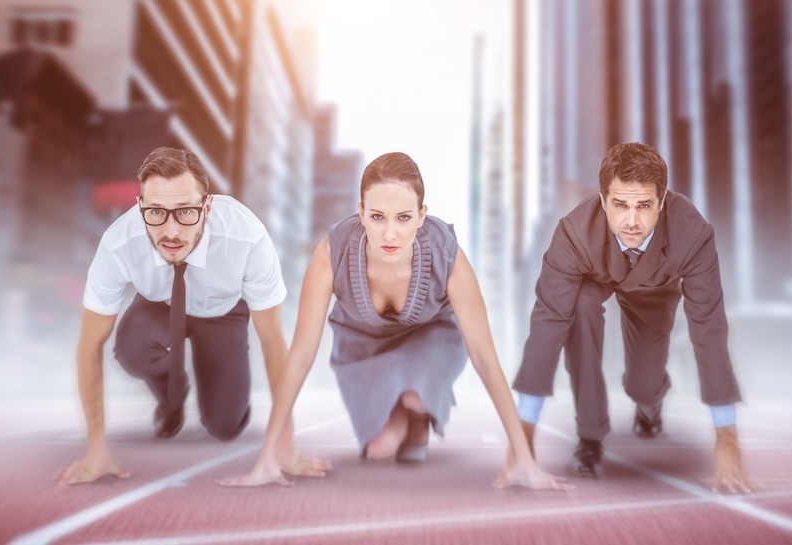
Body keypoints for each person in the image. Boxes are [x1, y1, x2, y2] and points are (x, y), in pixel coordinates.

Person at [219, 152, 568, 490]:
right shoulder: (331, 253)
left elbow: (486, 360)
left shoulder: (447, 254)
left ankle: (418, 411)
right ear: (360, 213)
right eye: (377, 217)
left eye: (403, 217)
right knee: (380, 448)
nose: (389, 234)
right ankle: (401, 409)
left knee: (416, 396)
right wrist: (268, 456)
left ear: (421, 215)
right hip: (361, 346)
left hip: (432, 340)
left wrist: (523, 457)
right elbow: (299, 356)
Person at [55, 147, 328, 485]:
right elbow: (89, 346)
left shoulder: (247, 237)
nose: (171, 231)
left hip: (223, 312)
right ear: (140, 207)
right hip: (160, 304)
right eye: (156, 211)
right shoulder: (118, 244)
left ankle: (216, 394)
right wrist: (96, 450)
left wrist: (285, 444)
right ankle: (173, 393)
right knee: (130, 349)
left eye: (185, 211)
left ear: (208, 206)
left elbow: (273, 342)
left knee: (225, 425)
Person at [511, 142, 753, 493]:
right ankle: (590, 437)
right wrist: (524, 435)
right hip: (594, 279)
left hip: (653, 289)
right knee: (576, 307)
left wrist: (727, 436)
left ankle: (650, 404)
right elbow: (548, 321)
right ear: (603, 198)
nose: (631, 221)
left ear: (663, 200)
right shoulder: (573, 233)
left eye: (644, 206)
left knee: (644, 383)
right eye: (620, 205)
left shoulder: (693, 235)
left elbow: (708, 327)